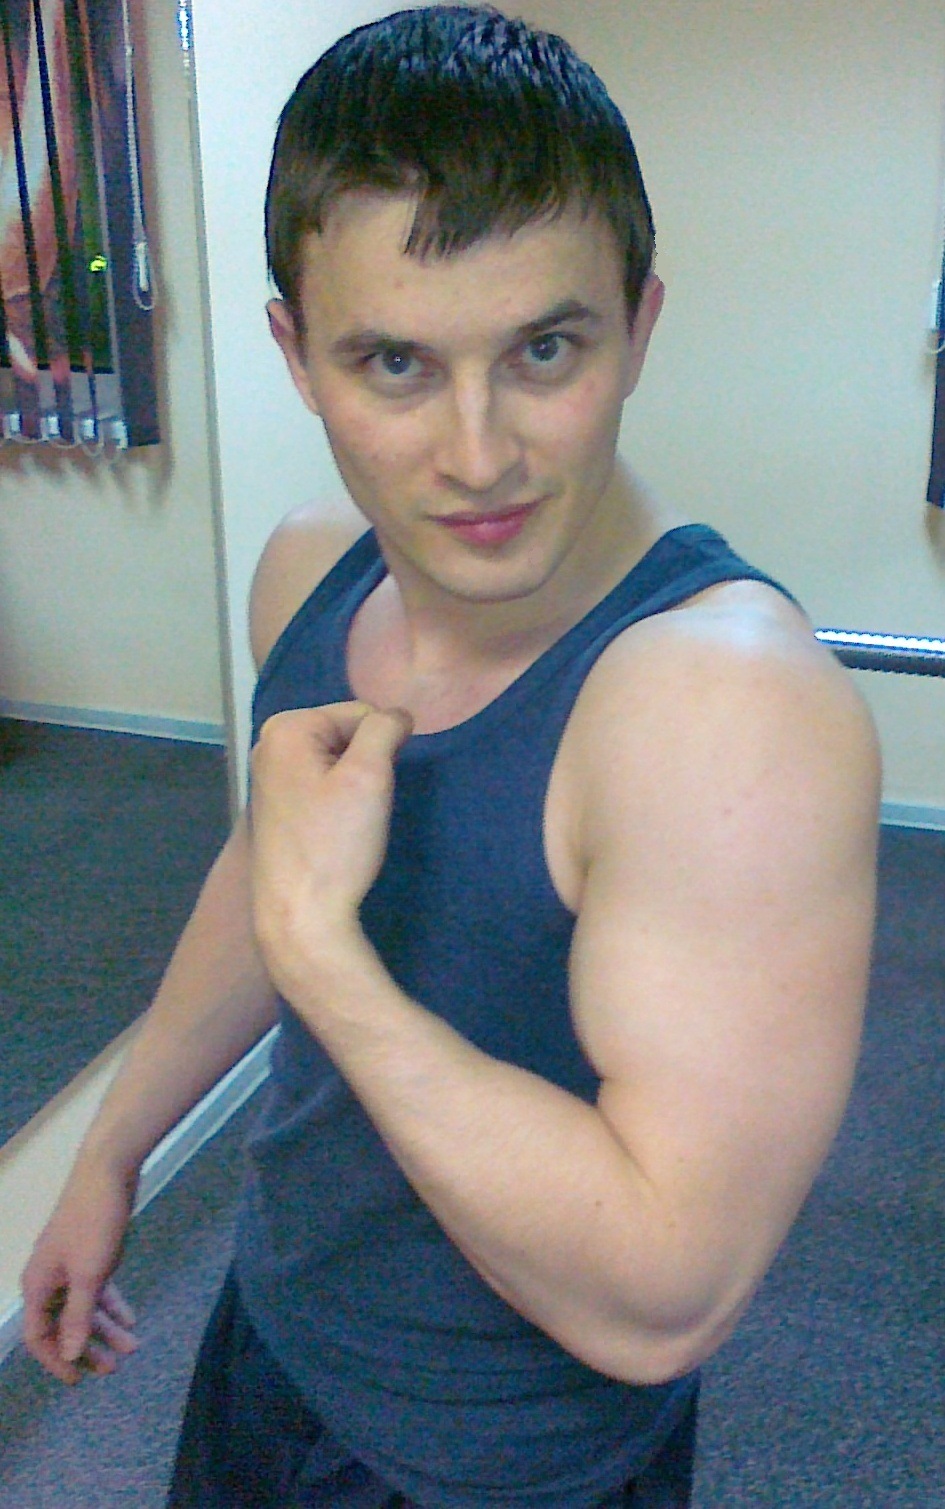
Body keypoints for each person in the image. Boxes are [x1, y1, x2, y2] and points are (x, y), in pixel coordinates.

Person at [21, 7, 881, 1505]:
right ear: (296, 356)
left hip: (506, 1461)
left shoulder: (723, 710)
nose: (477, 454)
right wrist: (115, 1146)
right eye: (394, 364)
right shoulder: (312, 572)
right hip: (274, 1335)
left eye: (544, 348)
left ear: (639, 326)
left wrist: (327, 961)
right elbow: (272, 867)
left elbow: (666, 1295)